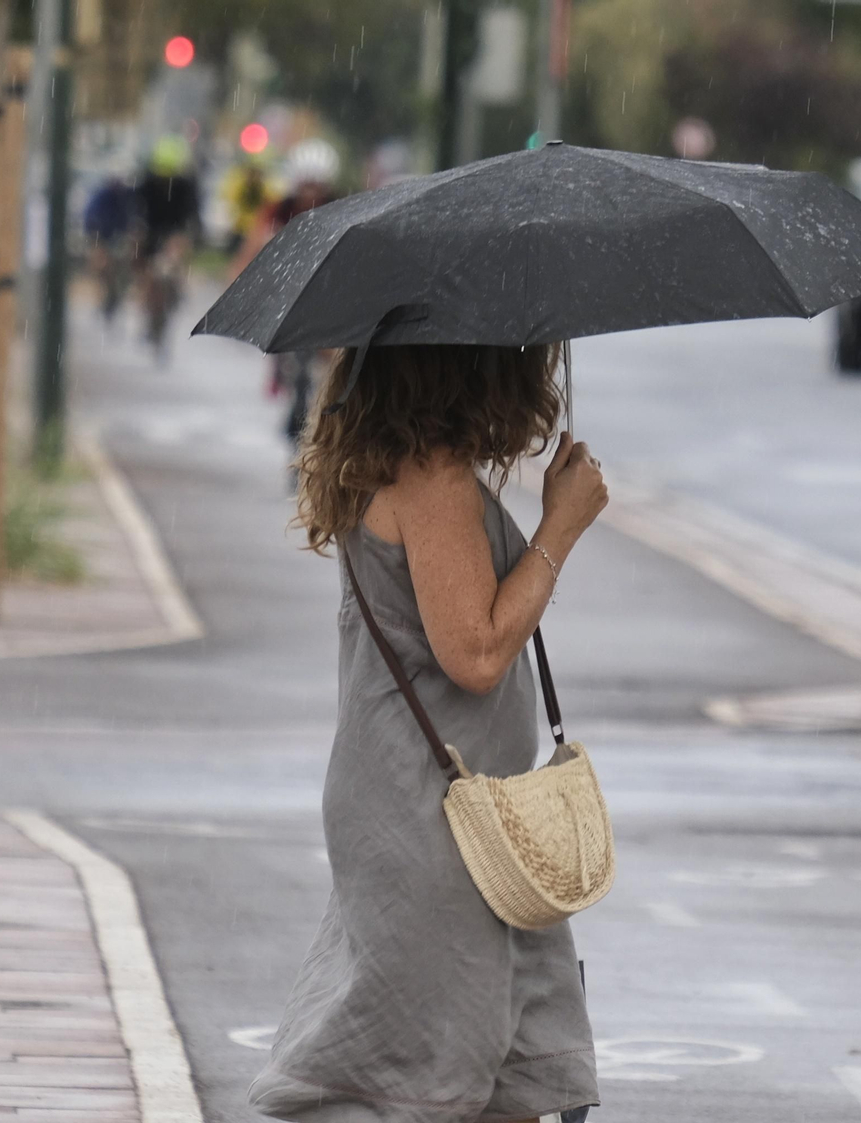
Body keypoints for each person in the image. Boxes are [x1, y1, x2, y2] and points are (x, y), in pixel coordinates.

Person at [249, 343, 605, 1123]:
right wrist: (560, 528)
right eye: (519, 350)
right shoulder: (432, 480)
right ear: (468, 364)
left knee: (496, 1070)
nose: (533, 369)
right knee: (440, 1077)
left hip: (461, 819)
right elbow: (474, 653)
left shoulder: (408, 469)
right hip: (435, 821)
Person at [230, 139, 344, 450]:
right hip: (289, 292)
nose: (311, 193)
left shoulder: (339, 206)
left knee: (331, 356)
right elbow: (252, 246)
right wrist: (241, 279)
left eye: (317, 186)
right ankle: (284, 374)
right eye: (306, 185)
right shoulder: (278, 209)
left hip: (325, 291)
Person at [135, 137, 201, 360]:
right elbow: (135, 209)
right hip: (151, 231)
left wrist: (189, 236)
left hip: (174, 231)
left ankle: (177, 289)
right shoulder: (146, 182)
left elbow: (193, 213)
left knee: (175, 257)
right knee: (147, 272)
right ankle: (146, 304)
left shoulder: (186, 184)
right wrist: (138, 232)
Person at [82, 172, 136, 326]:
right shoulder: (101, 199)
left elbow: (130, 221)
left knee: (121, 270)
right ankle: (104, 301)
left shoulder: (125, 198)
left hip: (116, 238)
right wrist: (98, 245)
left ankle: (114, 299)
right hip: (102, 238)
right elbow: (91, 222)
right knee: (103, 270)